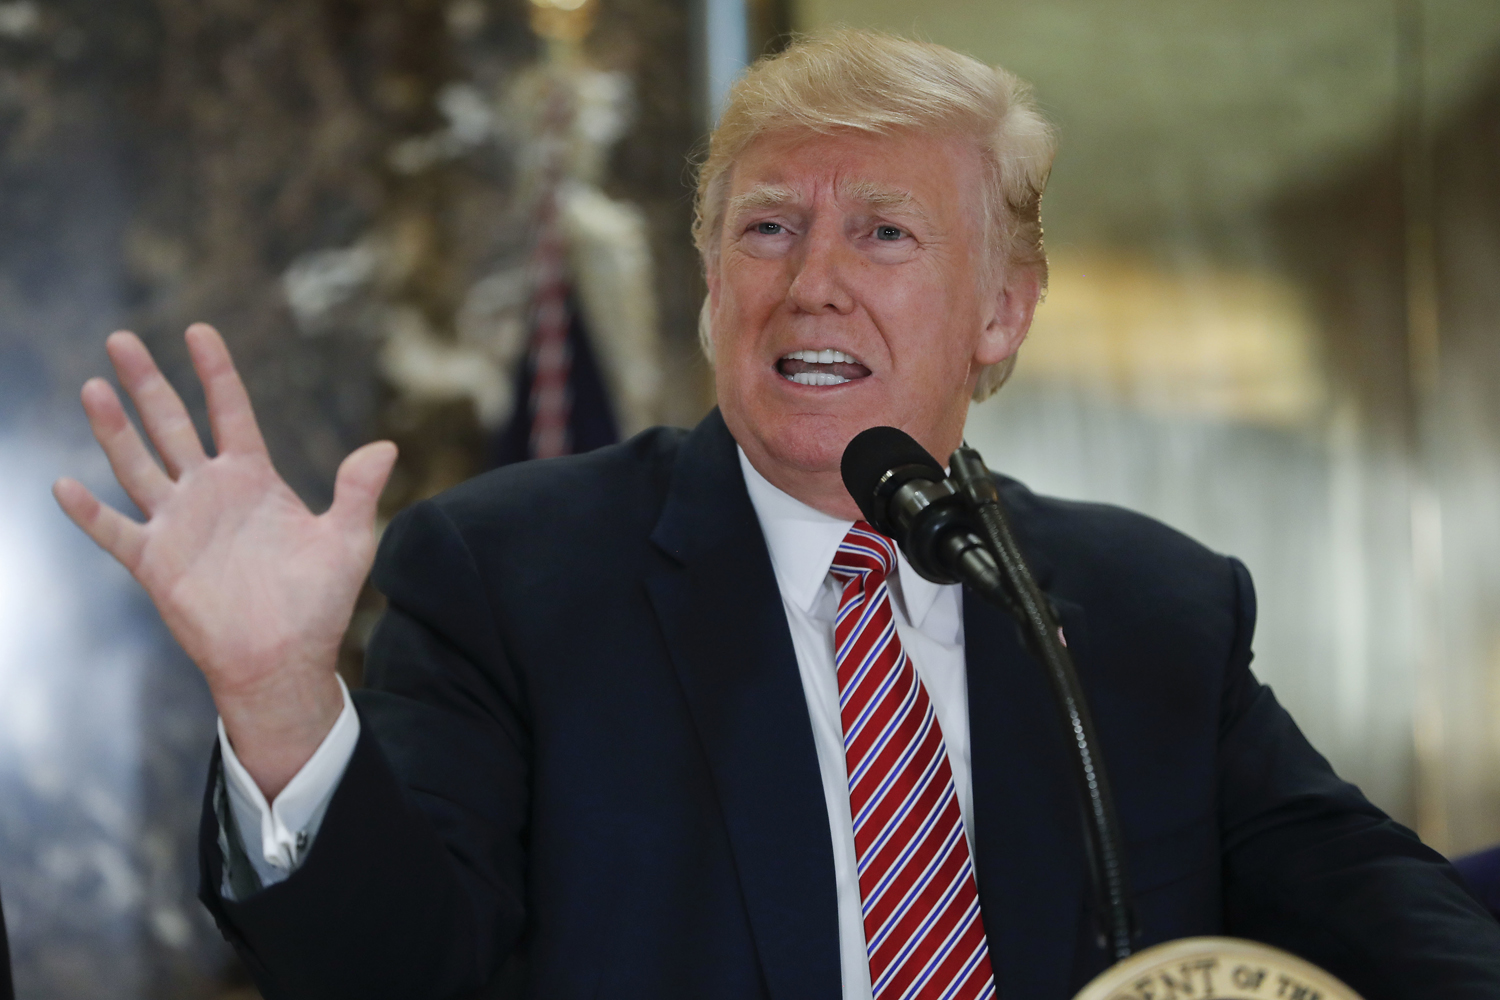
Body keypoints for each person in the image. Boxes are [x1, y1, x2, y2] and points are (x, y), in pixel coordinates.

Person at [54, 30, 1500, 1000]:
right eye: (767, 226)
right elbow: (398, 968)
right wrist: (282, 705)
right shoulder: (515, 576)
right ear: (711, 288)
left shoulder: (1147, 612)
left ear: (1001, 311)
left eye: (882, 229)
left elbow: (1388, 913)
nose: (813, 278)